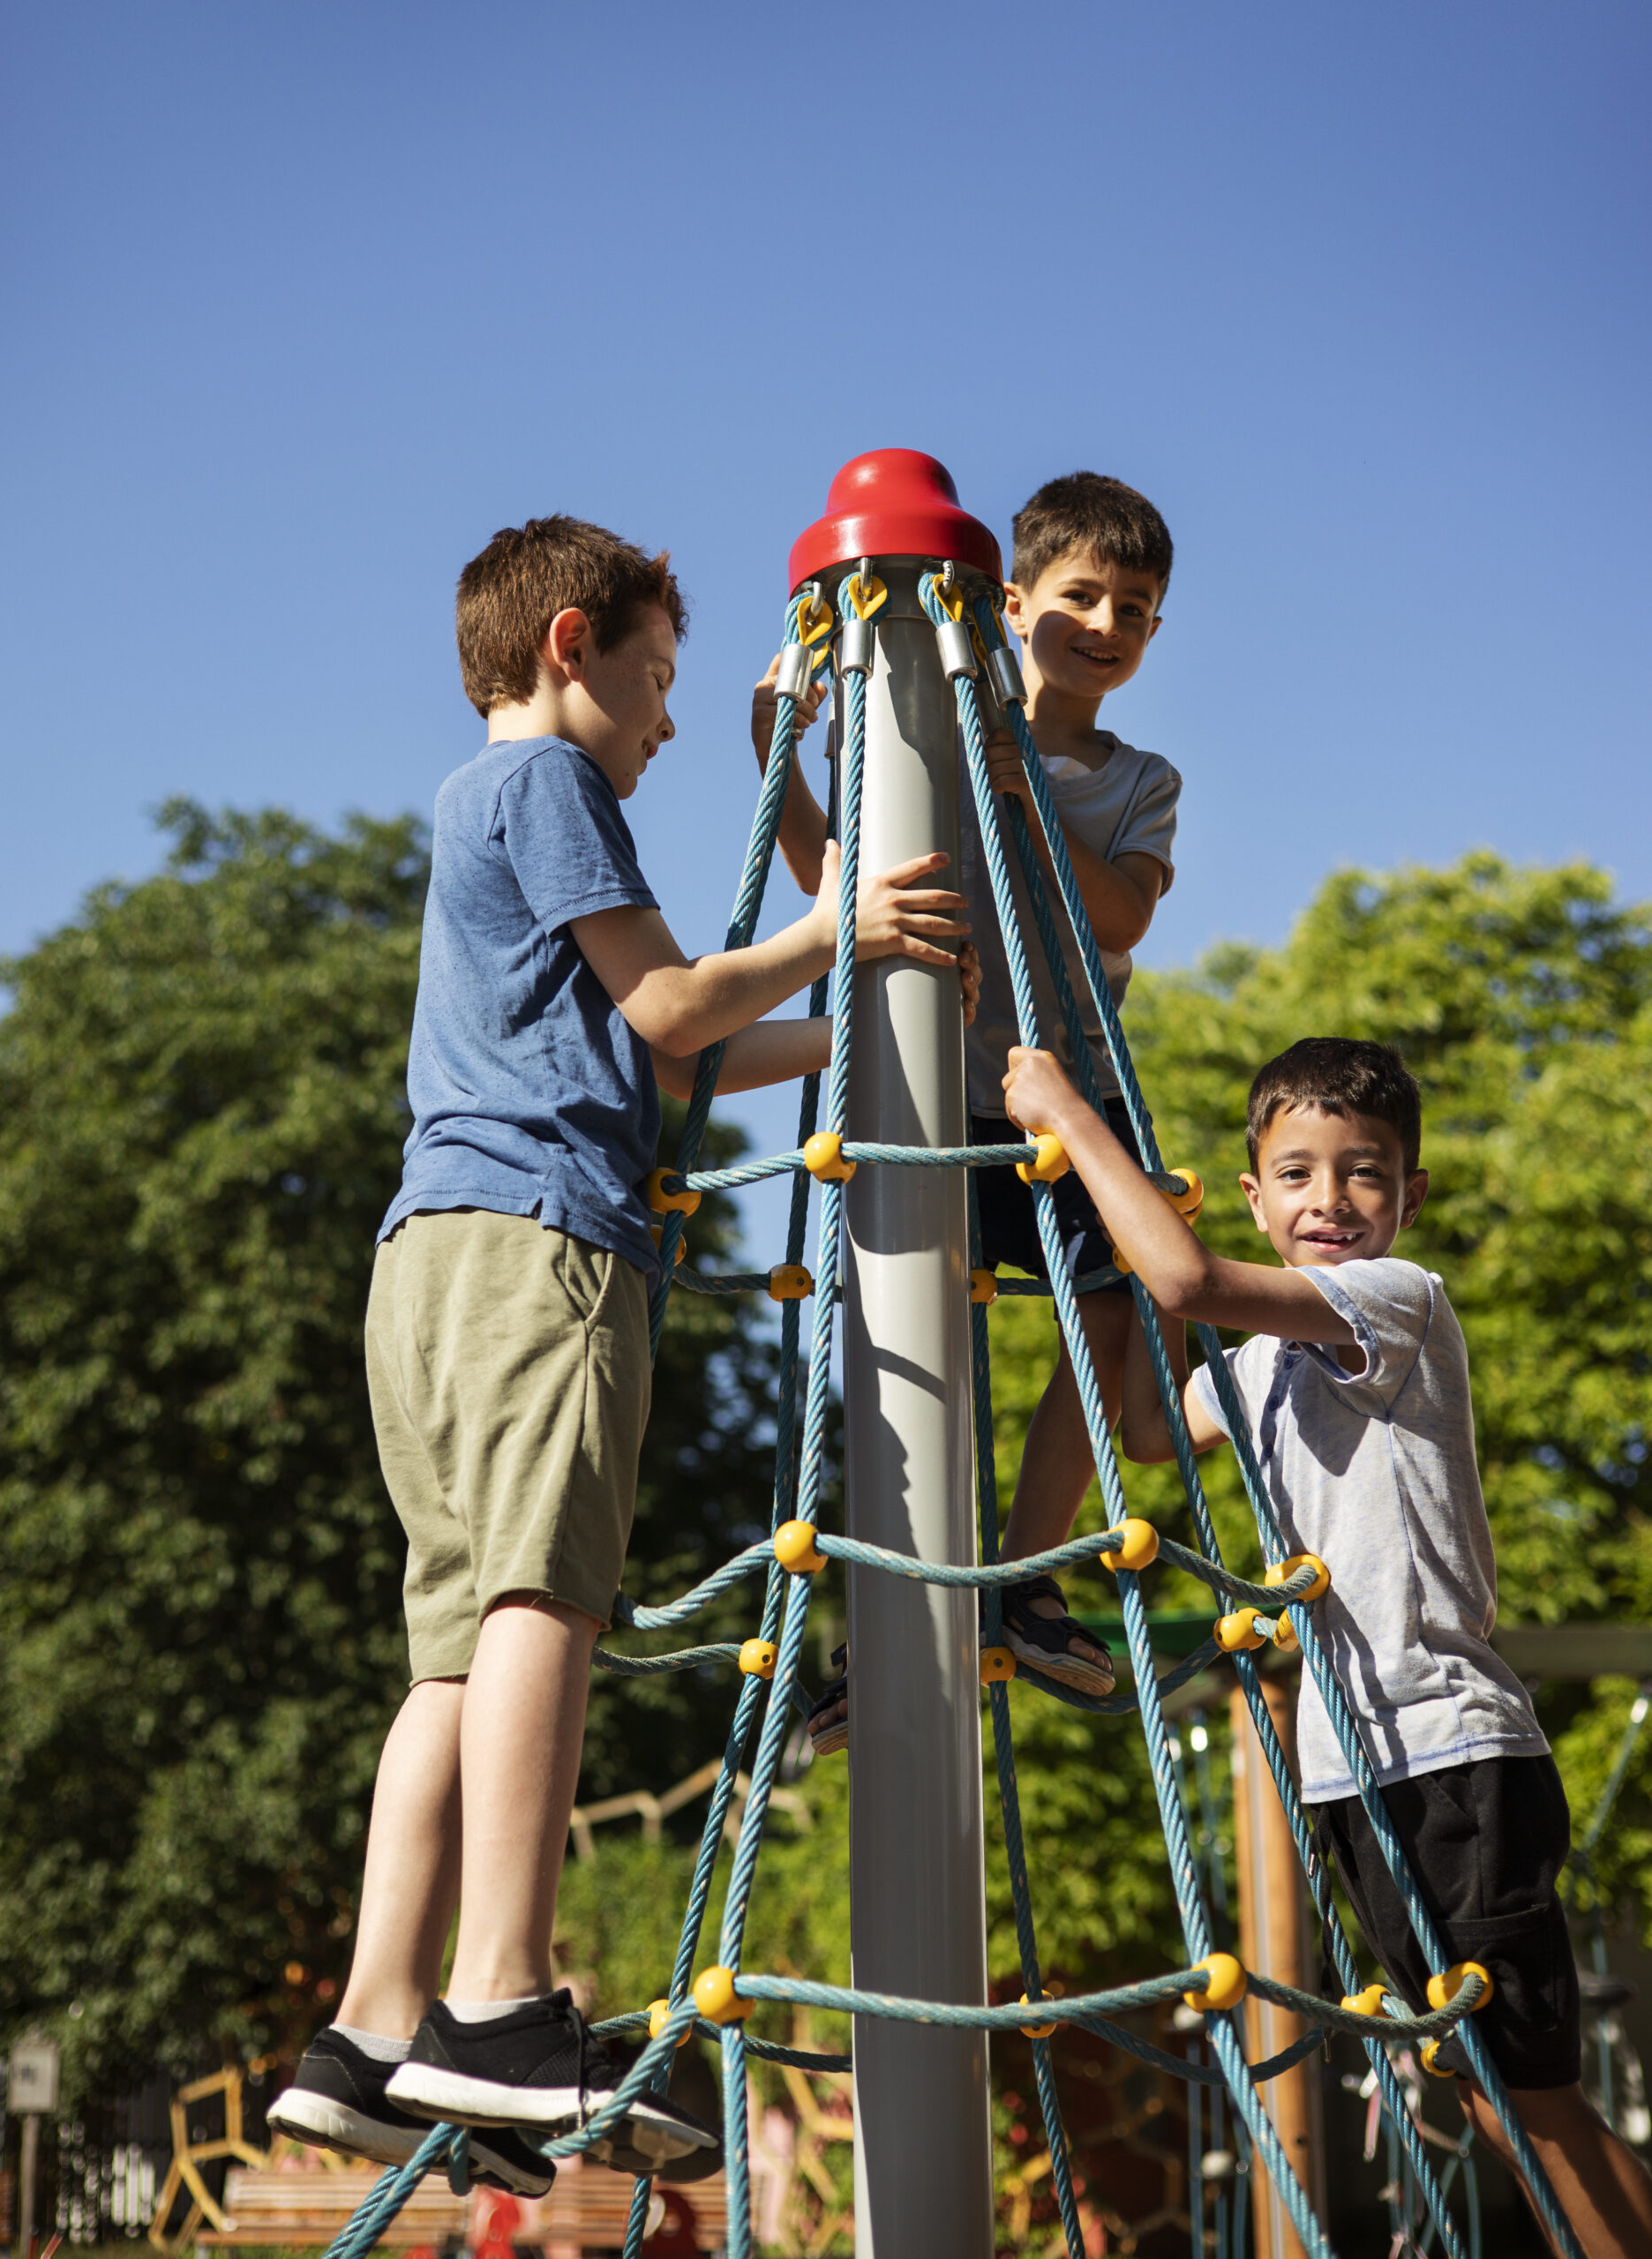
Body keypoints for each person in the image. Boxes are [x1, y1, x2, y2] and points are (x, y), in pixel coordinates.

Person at [269, 517, 979, 2192]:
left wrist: (864, 1003)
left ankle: (371, 2027)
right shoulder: (545, 787)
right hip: (540, 1246)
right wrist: (842, 933)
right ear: (571, 645)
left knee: (450, 1646)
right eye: (656, 682)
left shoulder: (472, 809)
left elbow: (680, 1060)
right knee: (543, 1597)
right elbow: (673, 1015)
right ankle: (499, 1997)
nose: (665, 724)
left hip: (428, 1264)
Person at [1002, 1033, 1652, 2259]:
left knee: (1532, 2100)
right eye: (1296, 1174)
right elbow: (1146, 1429)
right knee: (1491, 2095)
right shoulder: (1261, 1367)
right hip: (1356, 1772)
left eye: (1364, 1174)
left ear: (1408, 1198)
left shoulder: (1397, 1305)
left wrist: (1071, 1126)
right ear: (1256, 1192)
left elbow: (1190, 1279)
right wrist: (1104, 1273)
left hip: (1452, 1752)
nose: (1331, 1202)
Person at [757, 471, 1180, 1739]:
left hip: (1061, 1092)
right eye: (1082, 595)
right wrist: (774, 739)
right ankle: (870, 1632)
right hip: (918, 1089)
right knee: (890, 1339)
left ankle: (1028, 1578)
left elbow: (1122, 915)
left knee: (1115, 1317)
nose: (1106, 623)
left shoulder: (1136, 778)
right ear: (1011, 600)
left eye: (1137, 608)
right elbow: (832, 871)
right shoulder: (937, 723)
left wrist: (1023, 786)